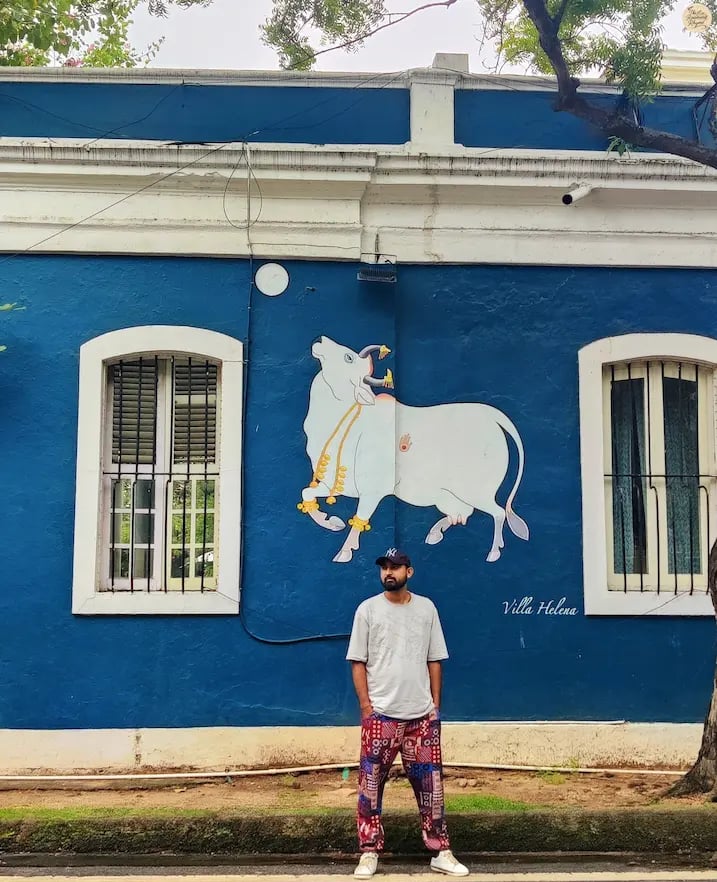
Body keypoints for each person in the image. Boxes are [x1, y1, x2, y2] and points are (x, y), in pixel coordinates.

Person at [346, 547, 469, 879]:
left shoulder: (426, 608)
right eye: (384, 567)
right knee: (370, 787)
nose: (389, 572)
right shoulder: (367, 610)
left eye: (396, 567)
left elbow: (434, 659)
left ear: (409, 572)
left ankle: (440, 851)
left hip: (421, 718)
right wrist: (367, 709)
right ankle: (369, 852)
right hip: (381, 716)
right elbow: (358, 662)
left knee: (432, 787)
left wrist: (435, 707)